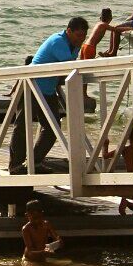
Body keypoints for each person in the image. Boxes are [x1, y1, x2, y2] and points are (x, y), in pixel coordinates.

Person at [9, 17, 88, 174]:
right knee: (22, 126)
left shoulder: (74, 45)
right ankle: (16, 166)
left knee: (52, 128)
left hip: (48, 89)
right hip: (32, 85)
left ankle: (34, 161)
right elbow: (69, 65)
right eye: (79, 35)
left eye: (84, 36)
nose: (81, 40)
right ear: (69, 31)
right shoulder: (58, 41)